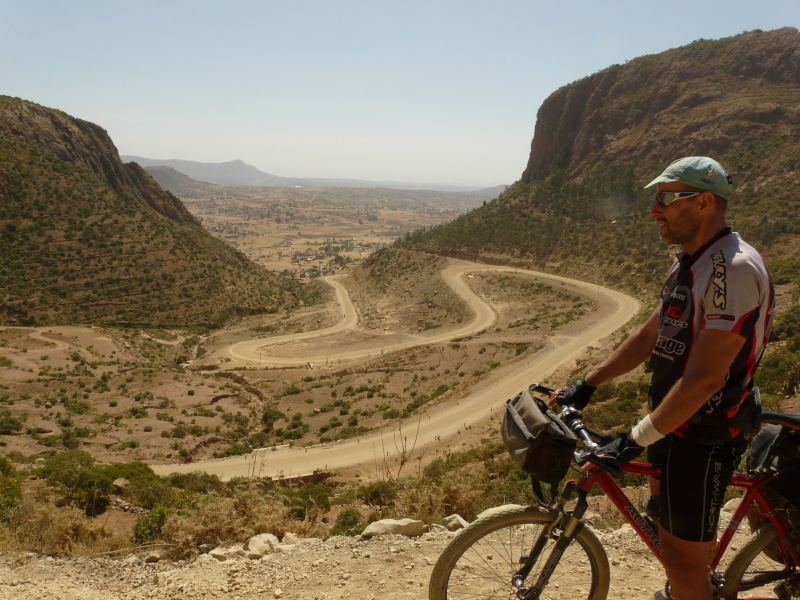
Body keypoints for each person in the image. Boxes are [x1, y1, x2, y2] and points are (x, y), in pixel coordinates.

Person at [550, 156, 775, 600]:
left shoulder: (731, 269)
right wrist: (589, 384)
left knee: (685, 567)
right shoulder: (691, 262)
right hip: (671, 422)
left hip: (705, 434)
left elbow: (706, 379)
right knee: (665, 528)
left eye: (666, 198)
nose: (654, 209)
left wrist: (634, 439)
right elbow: (651, 334)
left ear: (704, 202)